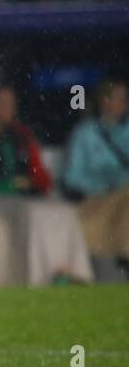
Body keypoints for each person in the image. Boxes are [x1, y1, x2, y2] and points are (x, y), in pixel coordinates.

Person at [0, 81, 93, 286]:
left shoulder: (21, 135)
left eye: (11, 103)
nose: (9, 108)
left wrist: (35, 182)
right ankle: (39, 279)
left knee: (64, 211)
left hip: (24, 200)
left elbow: (39, 174)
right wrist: (10, 185)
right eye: (2, 103)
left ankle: (73, 274)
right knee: (33, 215)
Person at [62, 78, 129, 267]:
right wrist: (107, 185)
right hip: (98, 200)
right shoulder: (85, 133)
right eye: (119, 98)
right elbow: (71, 178)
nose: (124, 103)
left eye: (125, 98)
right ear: (104, 100)